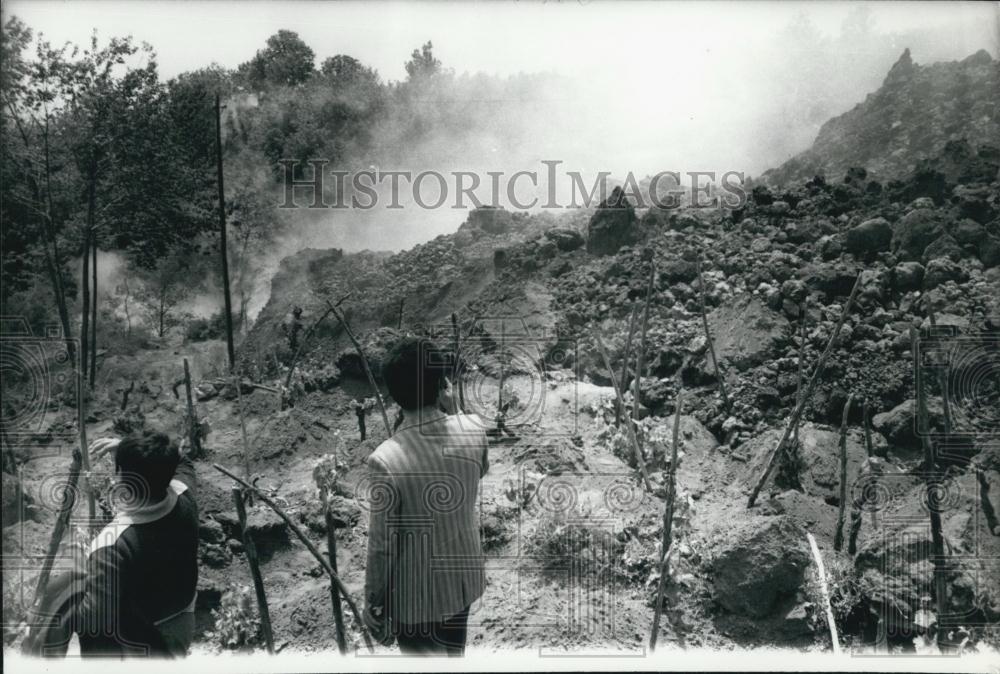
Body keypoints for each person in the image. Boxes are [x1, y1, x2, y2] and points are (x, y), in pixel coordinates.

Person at [363, 337, 488, 656]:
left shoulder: (386, 460)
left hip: (417, 600)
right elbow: (480, 469)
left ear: (392, 394)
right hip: (462, 581)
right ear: (442, 383)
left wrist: (373, 604)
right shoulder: (474, 428)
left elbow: (382, 546)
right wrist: (454, 409)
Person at [76, 430, 199, 657]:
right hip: (184, 617)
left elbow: (96, 616)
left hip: (148, 641)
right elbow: (182, 460)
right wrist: (133, 448)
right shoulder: (185, 495)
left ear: (124, 478)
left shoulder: (112, 544)